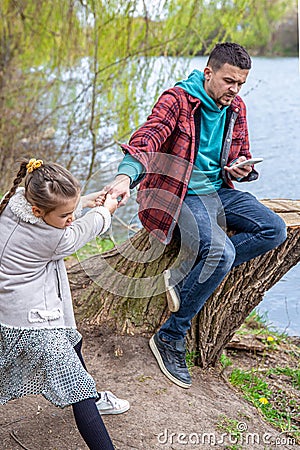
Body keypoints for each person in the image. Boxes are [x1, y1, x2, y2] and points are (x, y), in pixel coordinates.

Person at [104, 42, 287, 389]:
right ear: (208, 73)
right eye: (228, 81)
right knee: (223, 252)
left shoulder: (236, 108)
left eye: (240, 84)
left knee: (274, 230)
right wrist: (125, 176)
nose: (234, 90)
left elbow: (239, 154)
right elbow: (147, 140)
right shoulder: (177, 101)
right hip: (179, 194)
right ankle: (170, 336)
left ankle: (188, 274)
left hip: (220, 191)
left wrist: (243, 170)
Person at [0, 158, 129, 449]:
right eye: (65, 215)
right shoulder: (53, 239)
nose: (70, 218)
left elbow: (59, 214)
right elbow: (79, 233)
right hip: (32, 326)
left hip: (14, 311)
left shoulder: (14, 204)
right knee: (77, 388)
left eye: (71, 212)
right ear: (38, 211)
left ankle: (95, 400)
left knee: (74, 343)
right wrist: (104, 210)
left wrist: (83, 201)